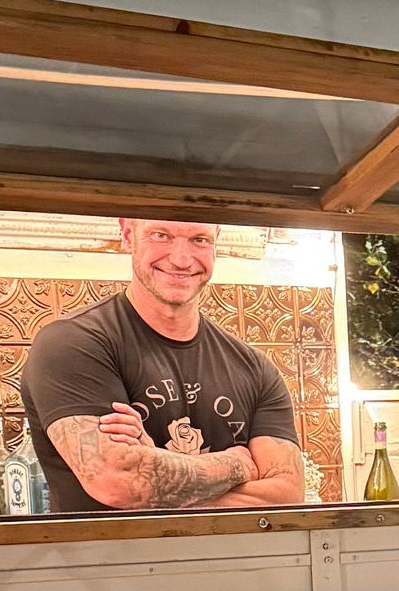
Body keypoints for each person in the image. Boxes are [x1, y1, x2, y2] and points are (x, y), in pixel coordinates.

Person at [20, 217, 307, 513]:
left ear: (216, 240)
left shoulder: (255, 368)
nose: (181, 259)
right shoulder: (72, 343)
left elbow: (286, 495)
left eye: (199, 239)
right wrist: (236, 464)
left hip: (233, 559)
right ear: (128, 234)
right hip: (107, 560)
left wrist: (154, 469)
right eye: (161, 235)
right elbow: (119, 482)